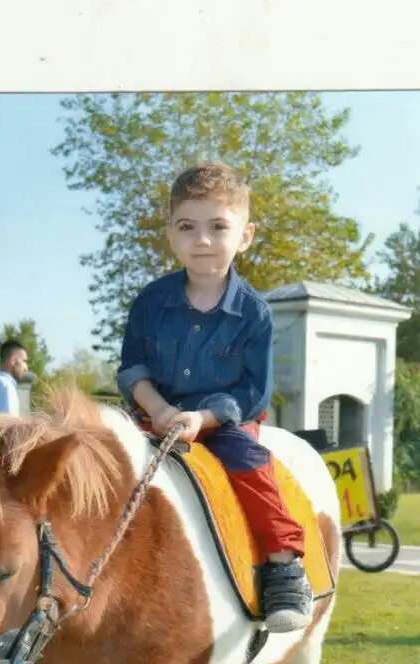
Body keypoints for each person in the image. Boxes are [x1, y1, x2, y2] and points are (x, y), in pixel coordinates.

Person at [117, 162, 313, 633]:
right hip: (153, 414)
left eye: (217, 227)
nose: (202, 240)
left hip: (225, 422)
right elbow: (132, 369)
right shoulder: (149, 301)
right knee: (104, 456)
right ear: (171, 235)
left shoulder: (255, 313)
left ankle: (284, 567)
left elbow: (252, 391)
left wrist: (201, 417)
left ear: (244, 235)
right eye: (188, 227)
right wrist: (161, 410)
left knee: (251, 464)